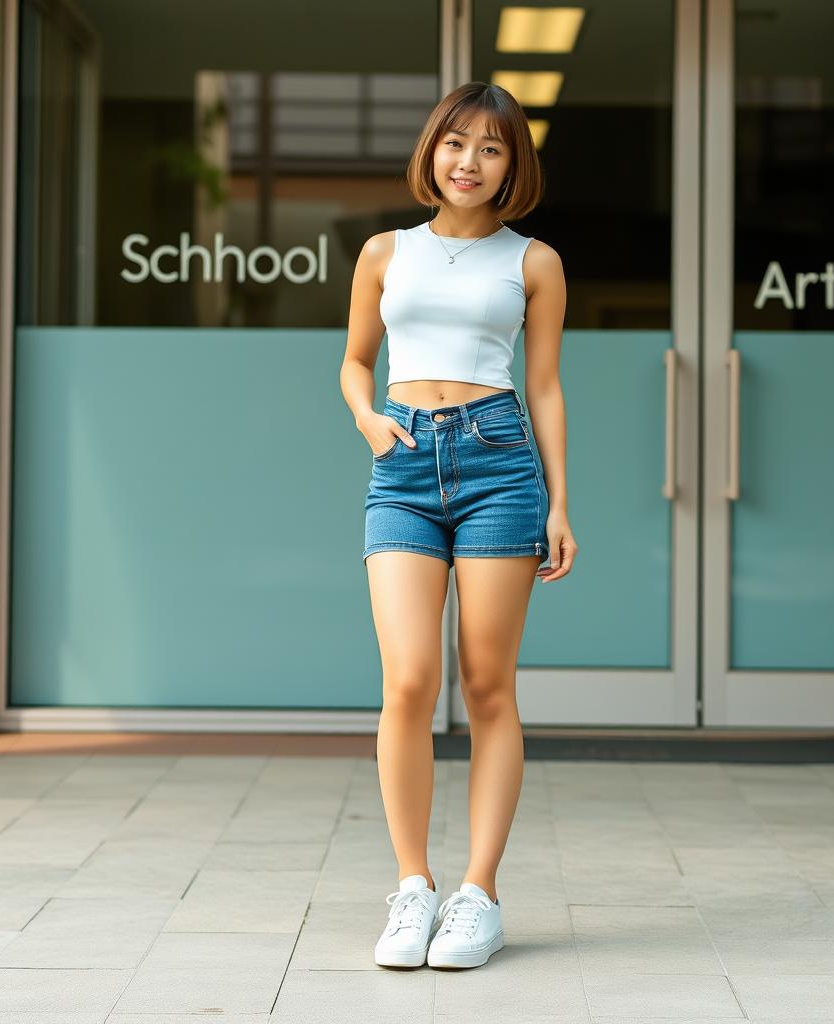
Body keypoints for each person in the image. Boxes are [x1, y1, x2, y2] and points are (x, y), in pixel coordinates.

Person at [340, 81, 575, 970]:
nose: (469, 163)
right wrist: (367, 417)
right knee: (408, 680)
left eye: (491, 149)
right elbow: (356, 360)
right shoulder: (382, 251)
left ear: (513, 164)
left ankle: (479, 895)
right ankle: (412, 888)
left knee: (486, 686)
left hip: (499, 462)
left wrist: (557, 501)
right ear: (430, 151)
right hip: (402, 464)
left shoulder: (534, 262)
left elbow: (545, 384)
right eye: (455, 144)